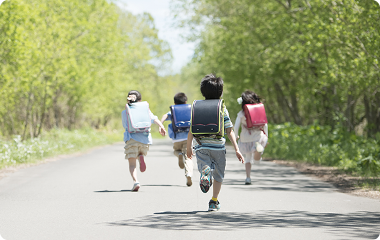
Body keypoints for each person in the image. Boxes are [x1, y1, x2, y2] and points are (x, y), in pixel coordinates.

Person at [186, 74, 244, 211]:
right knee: (218, 175)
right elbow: (229, 130)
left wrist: (188, 147)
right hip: (218, 146)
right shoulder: (222, 108)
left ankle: (205, 171)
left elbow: (191, 130)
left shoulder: (197, 107)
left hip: (201, 146)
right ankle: (213, 201)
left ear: (203, 91)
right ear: (221, 91)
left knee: (204, 166)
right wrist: (237, 149)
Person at [121, 90, 166, 192]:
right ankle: (141, 155)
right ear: (140, 100)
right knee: (140, 151)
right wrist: (161, 126)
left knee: (132, 164)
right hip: (145, 139)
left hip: (131, 139)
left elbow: (125, 125)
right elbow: (154, 119)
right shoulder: (146, 110)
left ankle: (136, 181)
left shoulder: (125, 112)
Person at [234, 90, 268, 185]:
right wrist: (266, 136)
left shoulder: (241, 113)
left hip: (246, 138)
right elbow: (265, 124)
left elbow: (236, 127)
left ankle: (248, 178)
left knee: (248, 159)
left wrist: (236, 136)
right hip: (257, 136)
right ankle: (258, 152)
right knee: (257, 159)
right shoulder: (259, 110)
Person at [160, 92, 193, 187]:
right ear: (186, 101)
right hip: (188, 137)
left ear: (174, 103)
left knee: (176, 151)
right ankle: (189, 173)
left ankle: (179, 154)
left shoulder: (173, 111)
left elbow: (165, 116)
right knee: (188, 157)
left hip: (176, 138)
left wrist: (161, 125)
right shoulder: (190, 110)